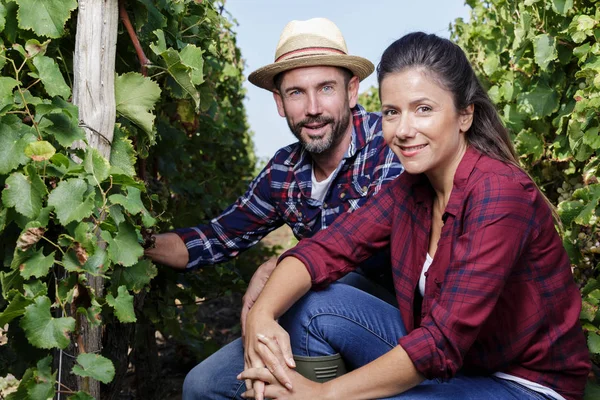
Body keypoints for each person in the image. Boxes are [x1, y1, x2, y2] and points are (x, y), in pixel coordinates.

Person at [238, 32, 592, 400]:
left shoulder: (499, 192)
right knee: (311, 307)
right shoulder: (410, 189)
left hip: (523, 383)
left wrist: (322, 395)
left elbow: (440, 342)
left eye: (423, 109)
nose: (404, 131)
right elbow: (326, 249)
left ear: (465, 114)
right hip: (460, 364)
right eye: (392, 112)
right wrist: (262, 314)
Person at [144, 17, 403, 398]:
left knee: (315, 297)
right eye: (296, 93)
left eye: (326, 88)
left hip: (399, 320)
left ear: (351, 91)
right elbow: (214, 238)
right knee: (204, 386)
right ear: (280, 103)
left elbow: (363, 242)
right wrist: (136, 240)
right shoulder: (284, 170)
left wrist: (278, 267)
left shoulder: (389, 142)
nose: (313, 108)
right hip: (318, 301)